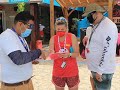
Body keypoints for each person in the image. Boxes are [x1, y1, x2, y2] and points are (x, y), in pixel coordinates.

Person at [0, 11, 44, 90]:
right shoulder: (7, 36)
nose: (30, 29)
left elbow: (22, 56)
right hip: (14, 86)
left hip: (26, 83)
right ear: (20, 24)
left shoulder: (20, 38)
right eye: (29, 26)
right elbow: (19, 59)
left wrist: (30, 61)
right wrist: (39, 52)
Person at [82, 3, 118, 90]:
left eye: (89, 15)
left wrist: (100, 71)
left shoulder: (108, 26)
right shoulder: (98, 23)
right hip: (96, 68)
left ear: (97, 13)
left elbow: (108, 50)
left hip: (103, 71)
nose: (88, 18)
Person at [49, 17, 80, 90]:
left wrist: (69, 54)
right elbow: (51, 56)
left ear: (66, 28)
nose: (60, 31)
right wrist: (57, 54)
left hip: (71, 71)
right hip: (58, 72)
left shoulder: (72, 37)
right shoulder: (53, 38)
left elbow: (77, 54)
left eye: (62, 29)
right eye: (58, 30)